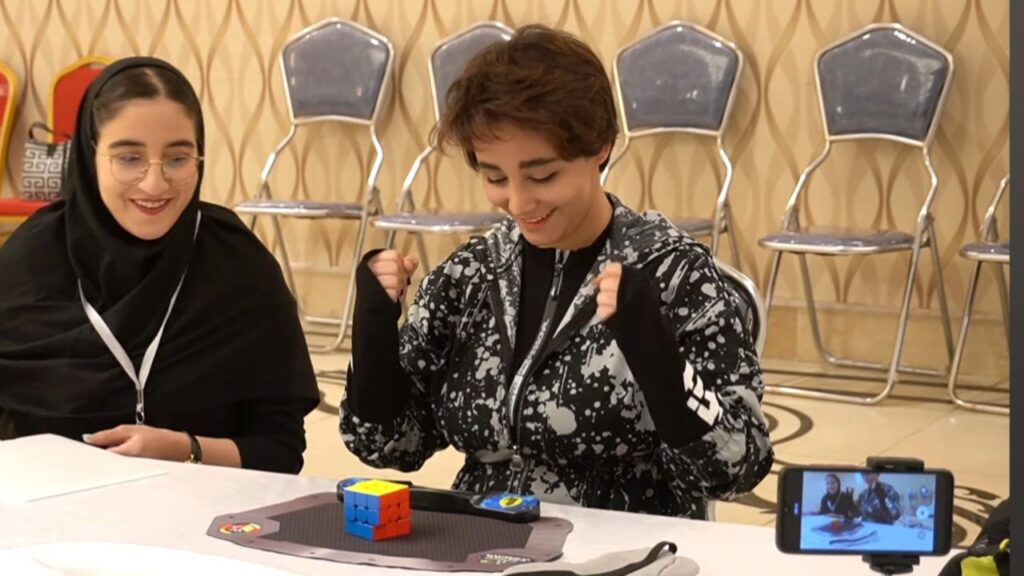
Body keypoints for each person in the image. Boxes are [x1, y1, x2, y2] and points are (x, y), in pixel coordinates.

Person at [339, 25, 772, 519]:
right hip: (481, 535)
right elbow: (391, 445)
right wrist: (373, 334)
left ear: (601, 147)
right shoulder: (471, 275)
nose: (519, 203)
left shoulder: (673, 275)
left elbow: (739, 465)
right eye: (495, 177)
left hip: (622, 541)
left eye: (543, 175)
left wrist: (661, 364)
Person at [0, 57, 319, 473]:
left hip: (206, 507)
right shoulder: (27, 266)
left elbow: (281, 452)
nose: (155, 184)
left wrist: (187, 449)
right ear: (89, 156)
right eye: (129, 158)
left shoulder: (240, 267)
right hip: (49, 507)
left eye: (178, 158)